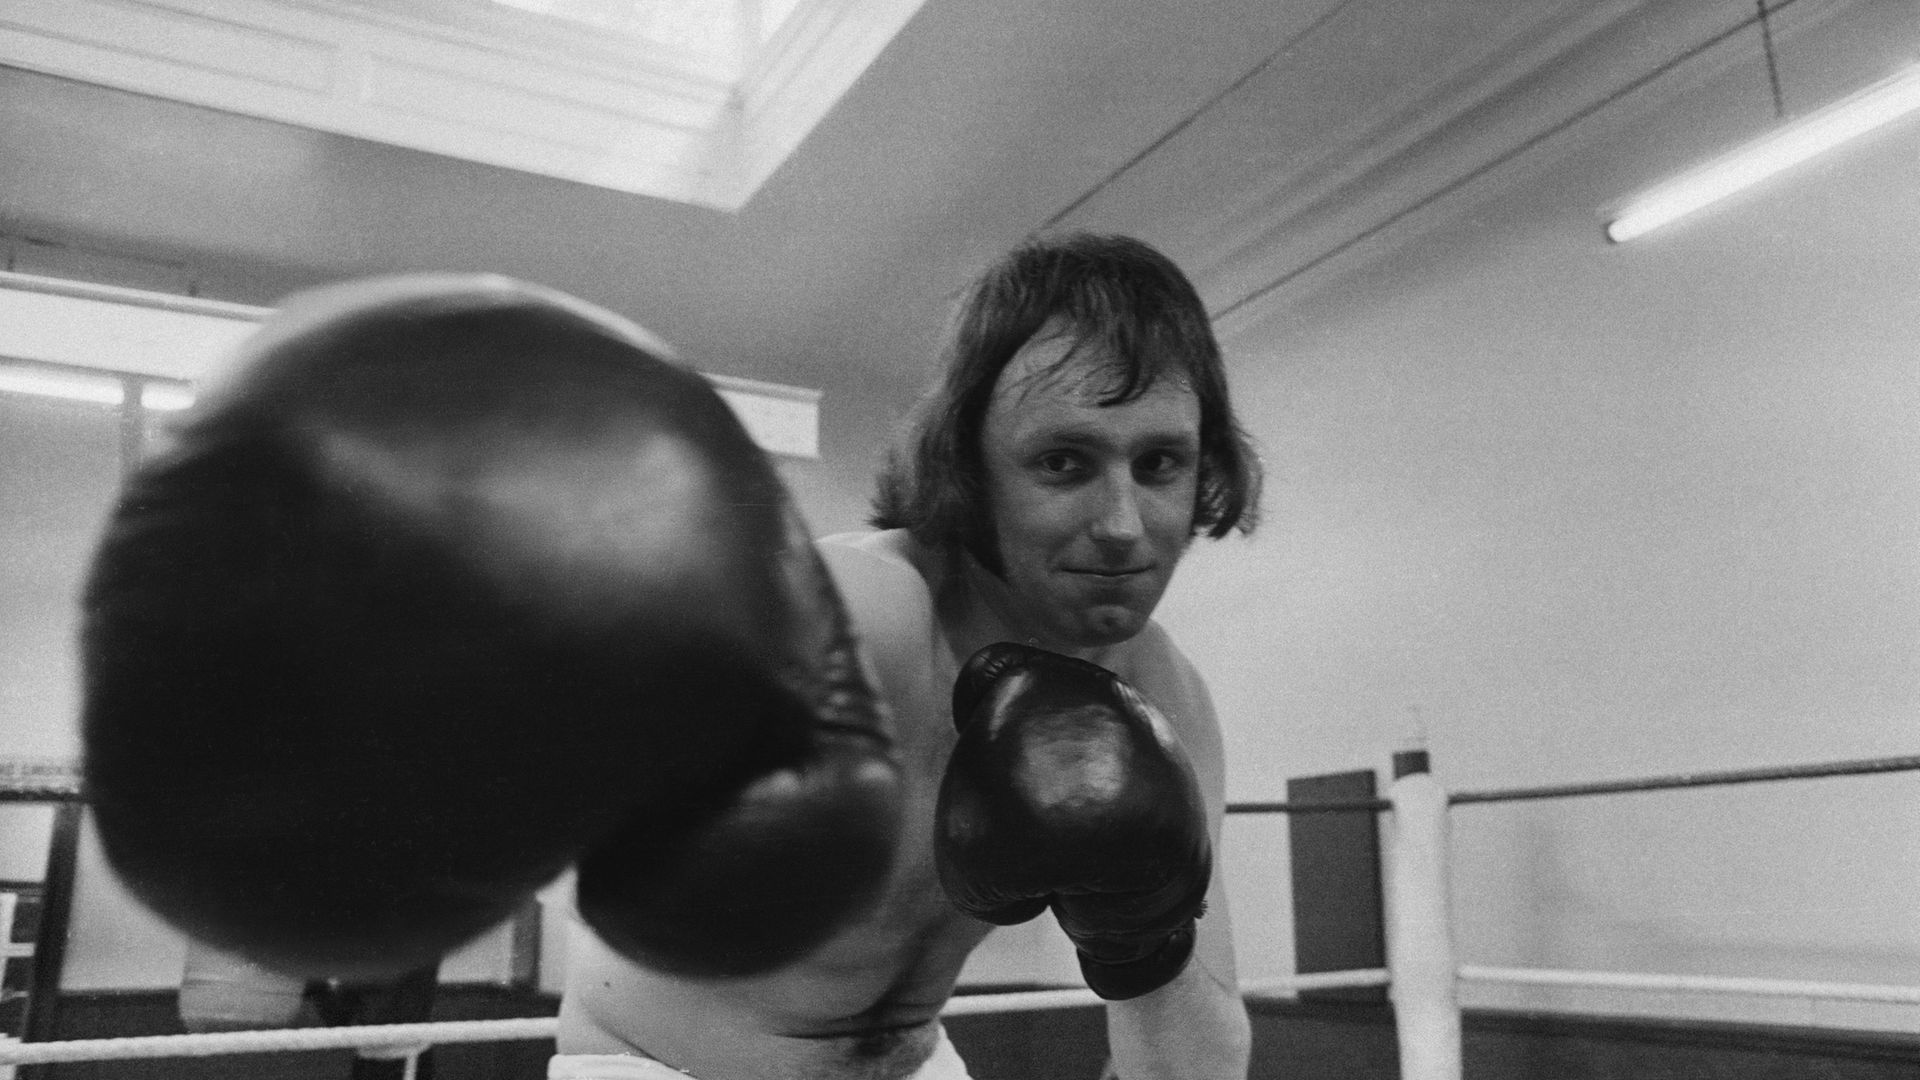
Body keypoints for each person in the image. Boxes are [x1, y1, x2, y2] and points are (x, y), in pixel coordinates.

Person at [554, 232, 1260, 1079]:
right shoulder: (865, 614)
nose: (1121, 524)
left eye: (1159, 463)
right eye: (1064, 463)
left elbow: (1198, 1071)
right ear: (971, 465)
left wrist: (1146, 938)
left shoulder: (1166, 702)